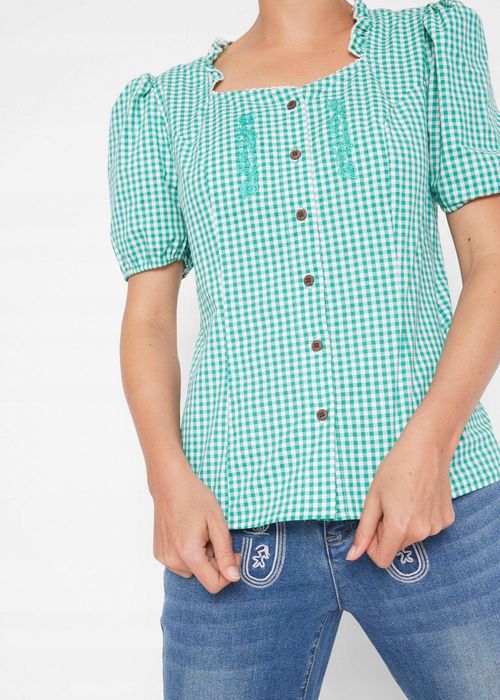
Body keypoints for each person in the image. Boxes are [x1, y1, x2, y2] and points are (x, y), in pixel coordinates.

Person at [107, 0, 500, 697]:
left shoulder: (429, 47)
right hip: (229, 529)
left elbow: (491, 261)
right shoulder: (161, 108)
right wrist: (166, 482)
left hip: (434, 498)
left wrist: (432, 447)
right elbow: (149, 321)